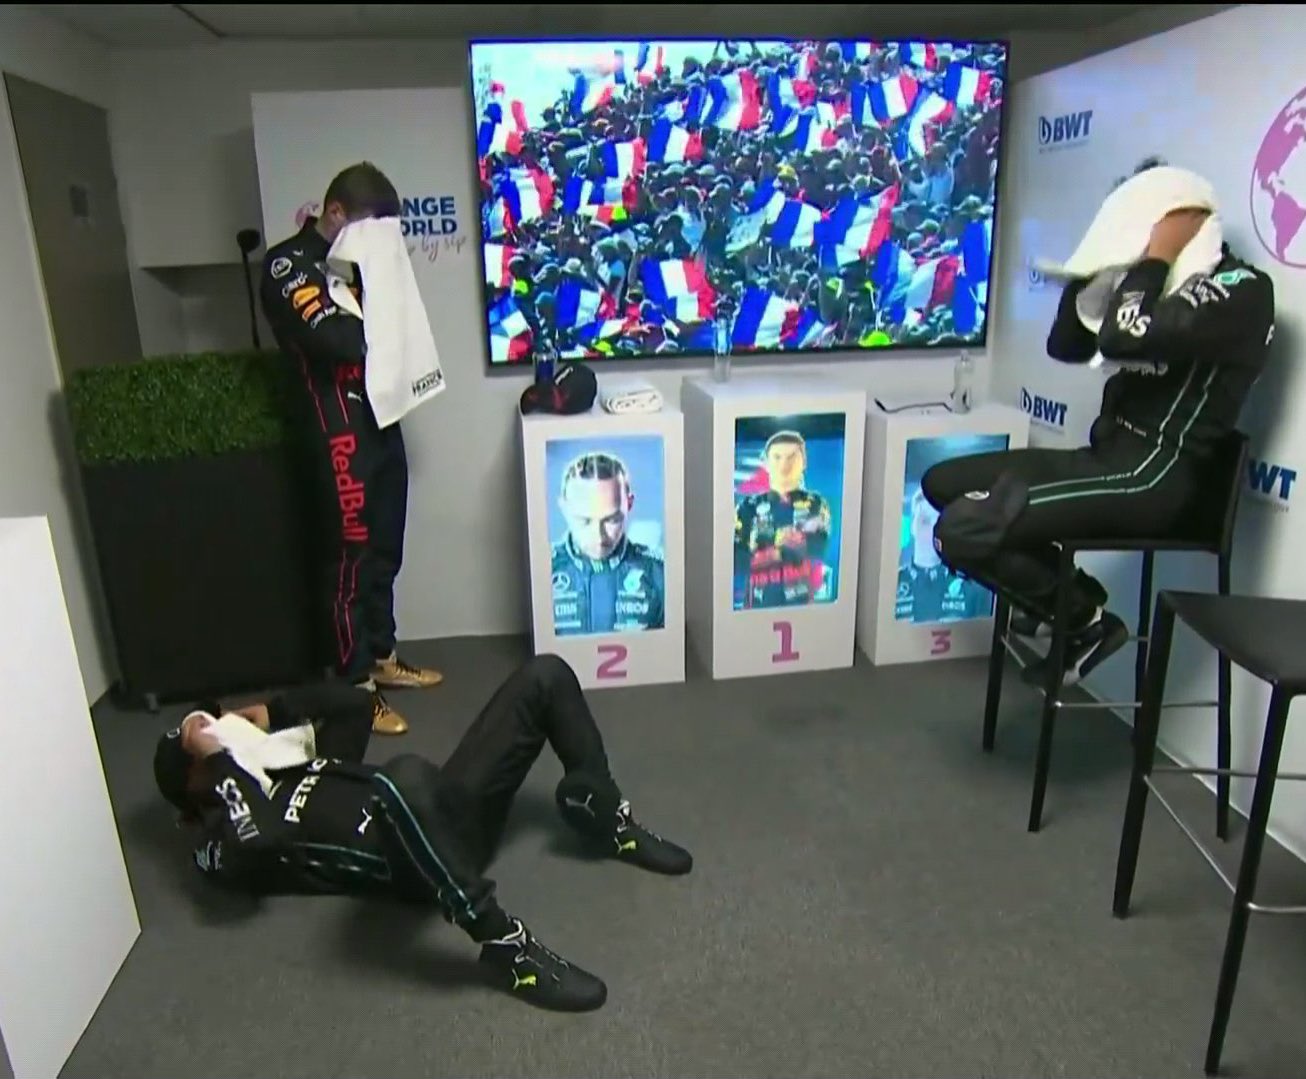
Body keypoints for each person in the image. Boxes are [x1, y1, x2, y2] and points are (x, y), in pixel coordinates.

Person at [152, 655, 692, 1013]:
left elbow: (354, 705)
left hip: (449, 814)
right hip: (419, 869)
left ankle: (607, 817)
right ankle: (507, 947)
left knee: (544, 675)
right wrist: (219, 762)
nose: (219, 738)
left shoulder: (285, 766)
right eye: (200, 749)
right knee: (403, 776)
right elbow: (260, 840)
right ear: (191, 795)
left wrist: (272, 713)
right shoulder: (219, 839)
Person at [923, 207, 1275, 685]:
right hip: (1105, 457)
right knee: (941, 483)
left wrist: (1158, 256)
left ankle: (1082, 620)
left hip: (1154, 477)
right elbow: (1066, 345)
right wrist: (1097, 271)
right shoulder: (1157, 280)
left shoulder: (1242, 288)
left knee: (962, 530)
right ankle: (1073, 603)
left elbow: (1124, 337)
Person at [260, 162, 442, 736]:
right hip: (336, 431)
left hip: (381, 421)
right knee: (350, 563)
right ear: (335, 213)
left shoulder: (366, 266)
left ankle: (382, 656)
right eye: (371, 229)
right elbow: (338, 339)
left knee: (386, 549)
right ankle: (355, 688)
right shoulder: (289, 264)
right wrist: (378, 294)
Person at [550, 452, 665, 636]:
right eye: (584, 521)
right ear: (564, 509)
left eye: (611, 520)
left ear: (629, 504)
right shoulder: (543, 570)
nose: (598, 536)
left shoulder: (660, 574)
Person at [734, 431, 833, 608]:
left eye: (792, 457)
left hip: (803, 607)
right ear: (766, 463)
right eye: (777, 457)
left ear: (804, 462)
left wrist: (768, 551)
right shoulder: (747, 506)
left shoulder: (816, 503)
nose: (784, 465)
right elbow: (736, 560)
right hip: (756, 608)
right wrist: (781, 547)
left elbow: (819, 548)